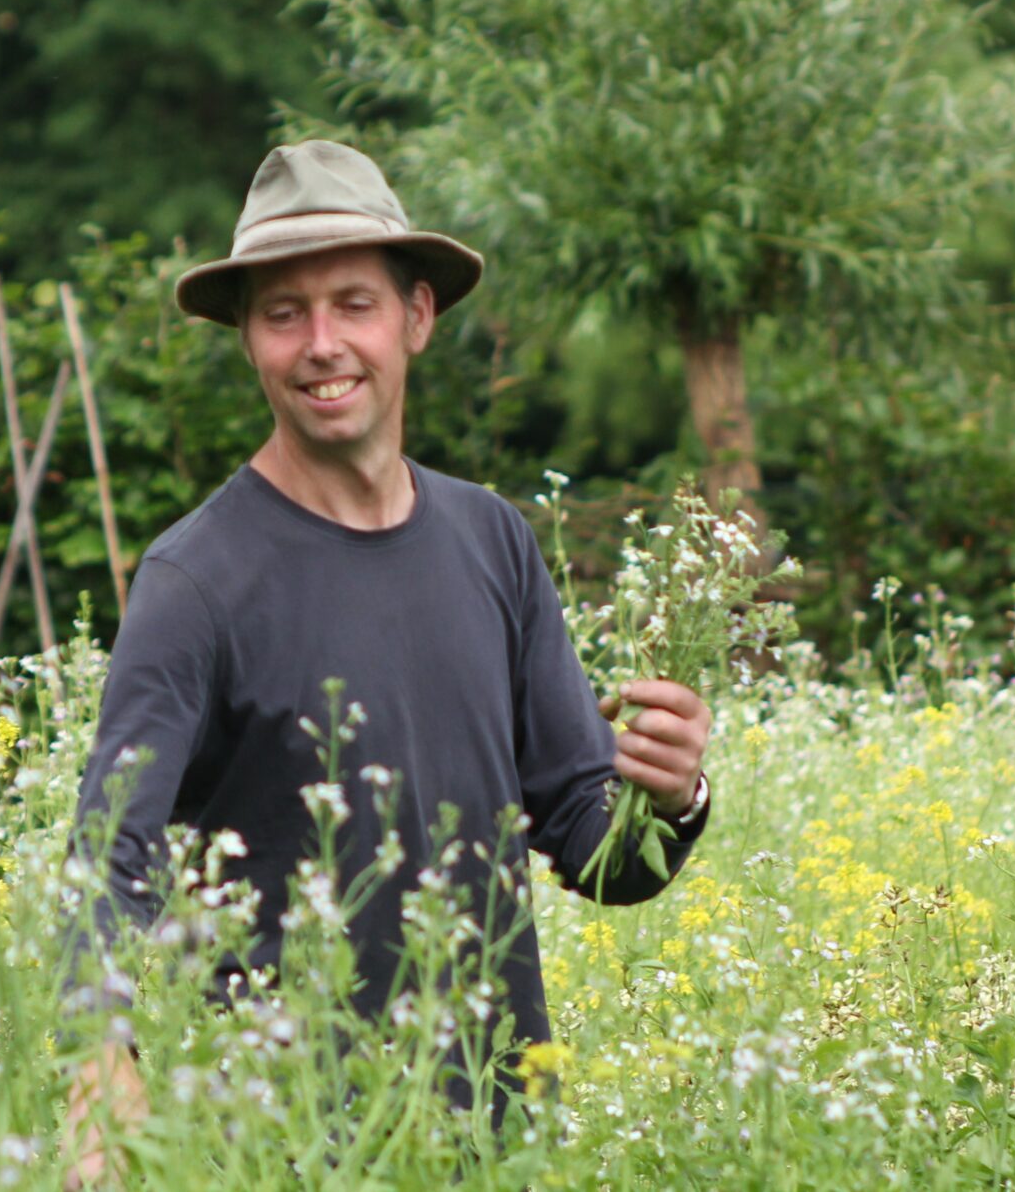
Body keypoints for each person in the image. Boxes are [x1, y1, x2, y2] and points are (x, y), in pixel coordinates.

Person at [56, 141, 714, 1187]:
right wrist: (101, 1060)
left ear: (416, 317)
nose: (321, 344)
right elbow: (109, 856)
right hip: (283, 1143)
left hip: (493, 1136)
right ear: (247, 340)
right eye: (283, 313)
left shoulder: (492, 540)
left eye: (352, 304)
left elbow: (599, 851)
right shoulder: (195, 580)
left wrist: (672, 798)